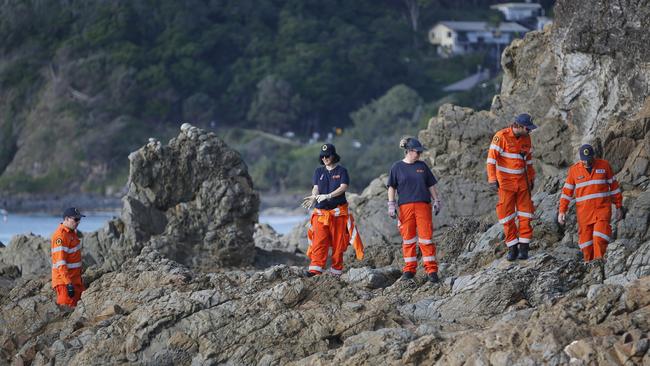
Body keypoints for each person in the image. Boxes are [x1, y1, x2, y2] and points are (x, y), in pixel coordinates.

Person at [302, 143, 363, 276]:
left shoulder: (342, 171)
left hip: (338, 213)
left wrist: (328, 196)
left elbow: (343, 187)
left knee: (338, 244)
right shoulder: (319, 171)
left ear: (333, 156)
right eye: (322, 156)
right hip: (321, 213)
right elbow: (316, 187)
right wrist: (314, 197)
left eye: (327, 156)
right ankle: (315, 269)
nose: (325, 158)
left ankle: (336, 271)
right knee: (319, 241)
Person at [387, 137, 442, 283]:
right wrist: (391, 204)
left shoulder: (422, 166)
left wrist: (436, 200)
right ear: (409, 151)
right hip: (405, 207)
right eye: (417, 152)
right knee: (408, 239)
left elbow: (430, 185)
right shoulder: (397, 167)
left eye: (420, 153)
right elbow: (391, 187)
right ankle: (409, 269)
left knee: (426, 238)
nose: (419, 155)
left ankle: (431, 271)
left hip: (423, 206)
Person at [558, 144, 624, 263]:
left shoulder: (604, 166)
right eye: (584, 160)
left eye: (589, 160)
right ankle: (589, 269)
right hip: (584, 215)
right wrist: (562, 211)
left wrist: (619, 207)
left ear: (593, 156)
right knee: (586, 245)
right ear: (580, 158)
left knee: (599, 238)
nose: (587, 163)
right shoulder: (574, 170)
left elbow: (614, 187)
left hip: (602, 211)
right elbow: (566, 193)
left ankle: (599, 266)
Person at [486, 113, 537, 261]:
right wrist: (492, 179)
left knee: (526, 215)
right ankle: (512, 248)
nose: (530, 131)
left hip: (522, 183)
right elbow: (491, 160)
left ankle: (524, 249)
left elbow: (528, 161)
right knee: (506, 216)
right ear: (519, 126)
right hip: (506, 184)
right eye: (528, 129)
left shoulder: (527, 138)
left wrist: (531, 178)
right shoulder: (501, 136)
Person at [51, 207, 86, 307]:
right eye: (75, 219)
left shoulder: (71, 233)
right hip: (65, 283)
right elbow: (60, 263)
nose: (78, 222)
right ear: (66, 219)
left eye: (79, 219)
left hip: (76, 281)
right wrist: (68, 284)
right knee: (66, 313)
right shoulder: (60, 236)